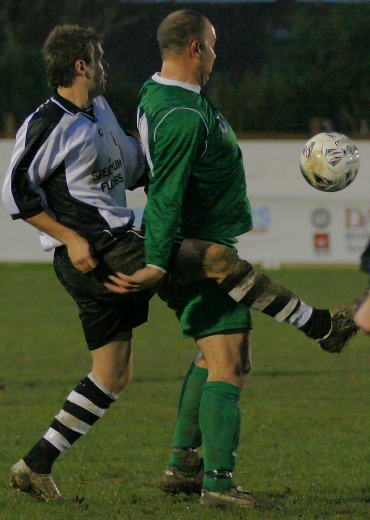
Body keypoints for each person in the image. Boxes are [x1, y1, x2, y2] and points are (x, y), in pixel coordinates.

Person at [1, 21, 355, 509]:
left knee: (112, 374)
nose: (105, 65)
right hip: (97, 252)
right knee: (214, 259)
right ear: (80, 65)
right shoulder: (47, 123)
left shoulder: (100, 110)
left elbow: (136, 166)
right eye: (98, 58)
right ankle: (320, 326)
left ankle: (34, 464)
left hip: (117, 243)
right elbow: (14, 192)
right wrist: (70, 238)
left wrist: (186, 164)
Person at [102, 9, 358, 509]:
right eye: (213, 45)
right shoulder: (180, 114)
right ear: (195, 48)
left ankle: (182, 465)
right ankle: (219, 485)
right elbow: (167, 194)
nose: (218, 54)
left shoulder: (167, 97)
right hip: (193, 247)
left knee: (218, 357)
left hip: (195, 240)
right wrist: (159, 261)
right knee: (231, 364)